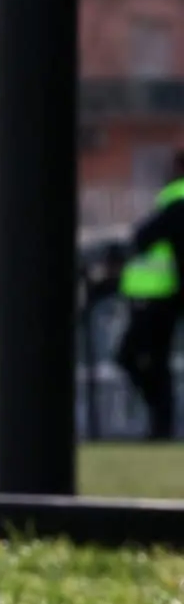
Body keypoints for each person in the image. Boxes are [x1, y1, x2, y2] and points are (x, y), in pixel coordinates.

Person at [117, 151, 184, 440]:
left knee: (135, 357)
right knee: (154, 362)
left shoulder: (177, 200)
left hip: (161, 296)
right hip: (162, 295)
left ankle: (162, 425)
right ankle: (161, 424)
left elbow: (146, 238)